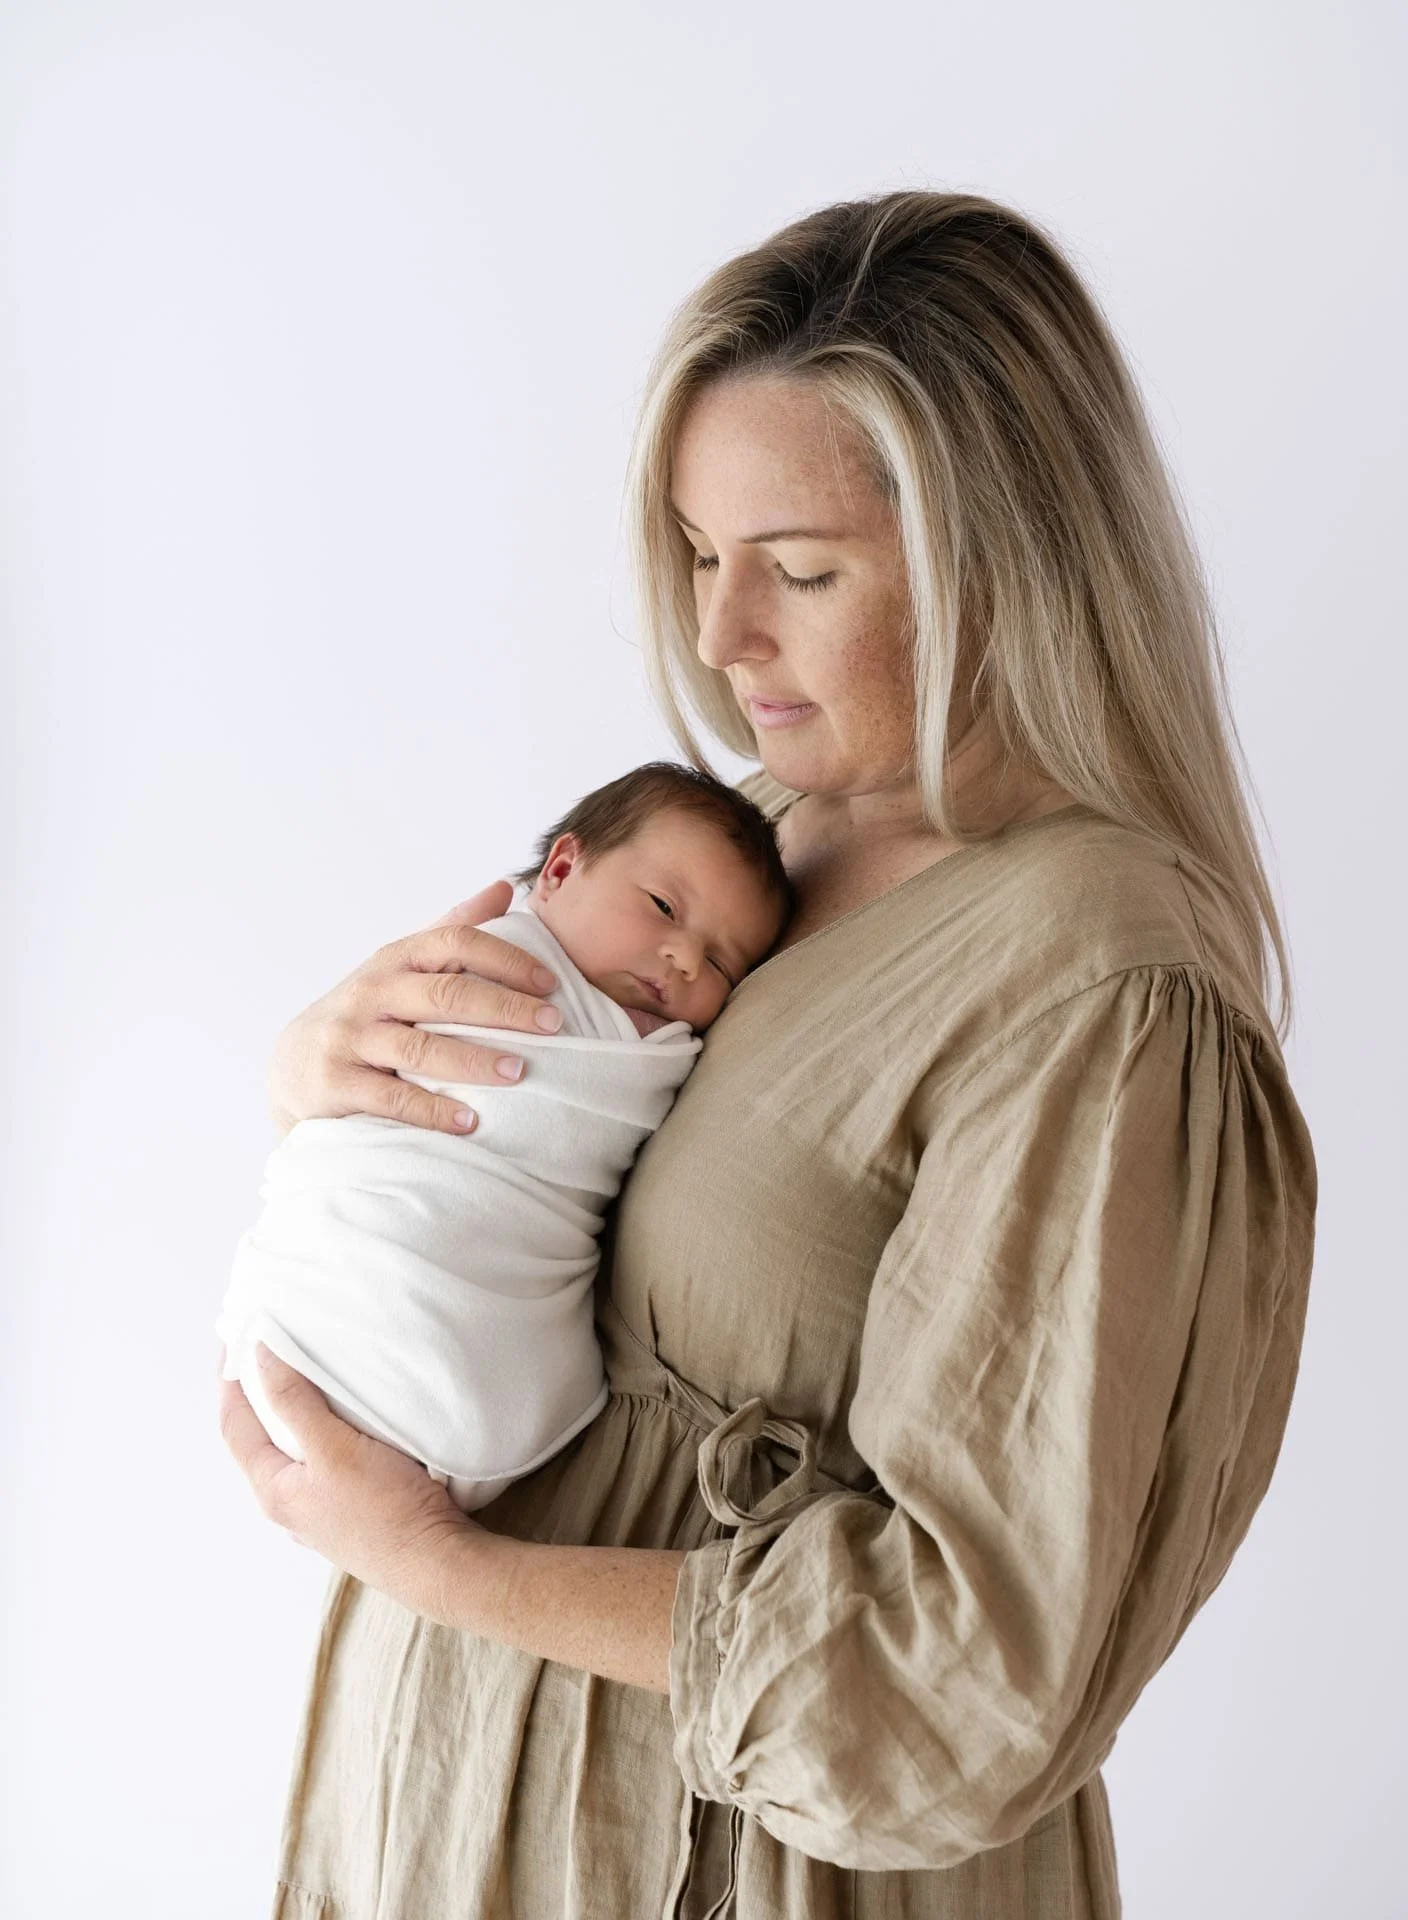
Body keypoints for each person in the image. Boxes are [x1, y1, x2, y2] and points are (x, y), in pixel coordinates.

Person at [218, 189, 1317, 1919]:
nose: (721, 640)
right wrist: (317, 1076)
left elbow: (964, 1673)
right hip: (466, 1819)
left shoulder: (1101, 986)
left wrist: (430, 1561)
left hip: (750, 1869)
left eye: (798, 571)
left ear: (998, 554)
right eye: (699, 555)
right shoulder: (752, 843)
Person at [216, 763, 789, 1512]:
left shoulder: (657, 1053)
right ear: (559, 869)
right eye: (661, 907)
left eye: (722, 963)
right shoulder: (483, 959)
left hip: (479, 1384)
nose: (683, 959)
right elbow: (357, 1102)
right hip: (337, 1289)